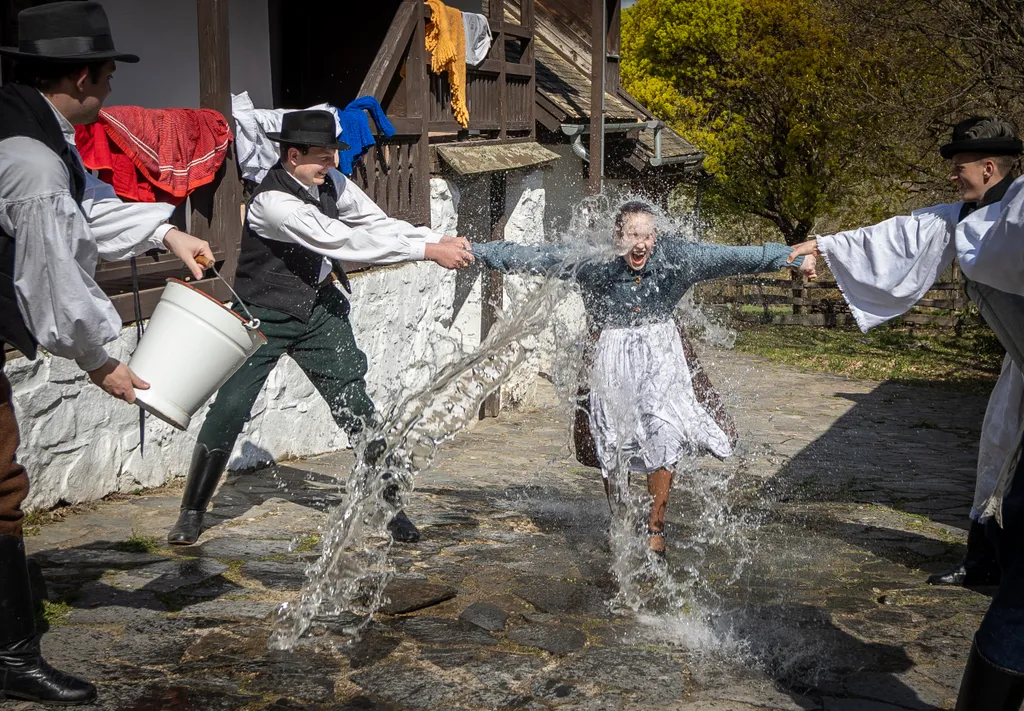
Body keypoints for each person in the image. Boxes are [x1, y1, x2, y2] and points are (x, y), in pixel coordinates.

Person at [0, 2, 214, 705]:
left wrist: (165, 233)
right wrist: (102, 361)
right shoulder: (30, 157)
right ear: (85, 73)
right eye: (109, 73)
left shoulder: (35, 131)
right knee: (2, 491)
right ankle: (12, 654)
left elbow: (85, 204)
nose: (114, 89)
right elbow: (54, 273)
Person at [787, 118, 1024, 709]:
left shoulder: (1017, 215)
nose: (953, 174)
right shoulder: (977, 214)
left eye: (960, 165)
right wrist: (825, 245)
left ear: (989, 169)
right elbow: (905, 232)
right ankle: (987, 559)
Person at [166, 110, 473, 547]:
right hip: (264, 312)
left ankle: (389, 505)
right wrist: (426, 251)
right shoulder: (271, 203)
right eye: (322, 156)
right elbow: (339, 239)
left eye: (333, 154)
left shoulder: (332, 183)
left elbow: (374, 223)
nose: (331, 163)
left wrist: (434, 238)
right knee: (231, 406)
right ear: (293, 155)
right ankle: (192, 513)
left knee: (354, 403)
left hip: (320, 310)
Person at [472, 201, 815, 556]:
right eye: (633, 235)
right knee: (612, 441)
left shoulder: (679, 258)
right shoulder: (594, 261)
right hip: (610, 353)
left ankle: (655, 527)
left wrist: (788, 258)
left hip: (661, 353)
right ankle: (619, 517)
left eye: (648, 235)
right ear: (617, 236)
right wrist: (475, 251)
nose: (641, 244)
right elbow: (534, 256)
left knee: (663, 431)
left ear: (656, 236)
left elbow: (734, 257)